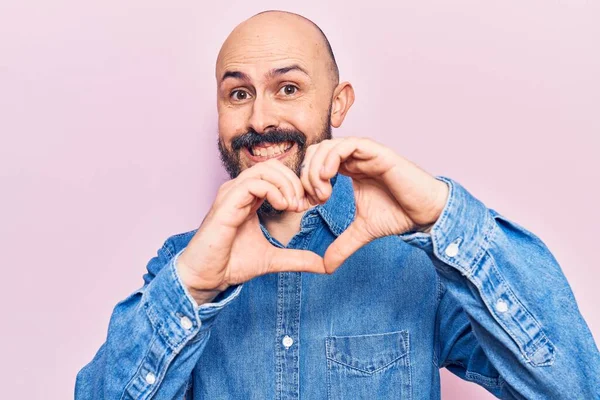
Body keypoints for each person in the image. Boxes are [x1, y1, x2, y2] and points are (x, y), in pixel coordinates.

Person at [75, 10, 600, 399]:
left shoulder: (414, 263)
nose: (259, 120)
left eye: (288, 88)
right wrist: (191, 286)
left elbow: (574, 386)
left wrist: (442, 214)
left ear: (338, 103)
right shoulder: (182, 266)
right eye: (238, 94)